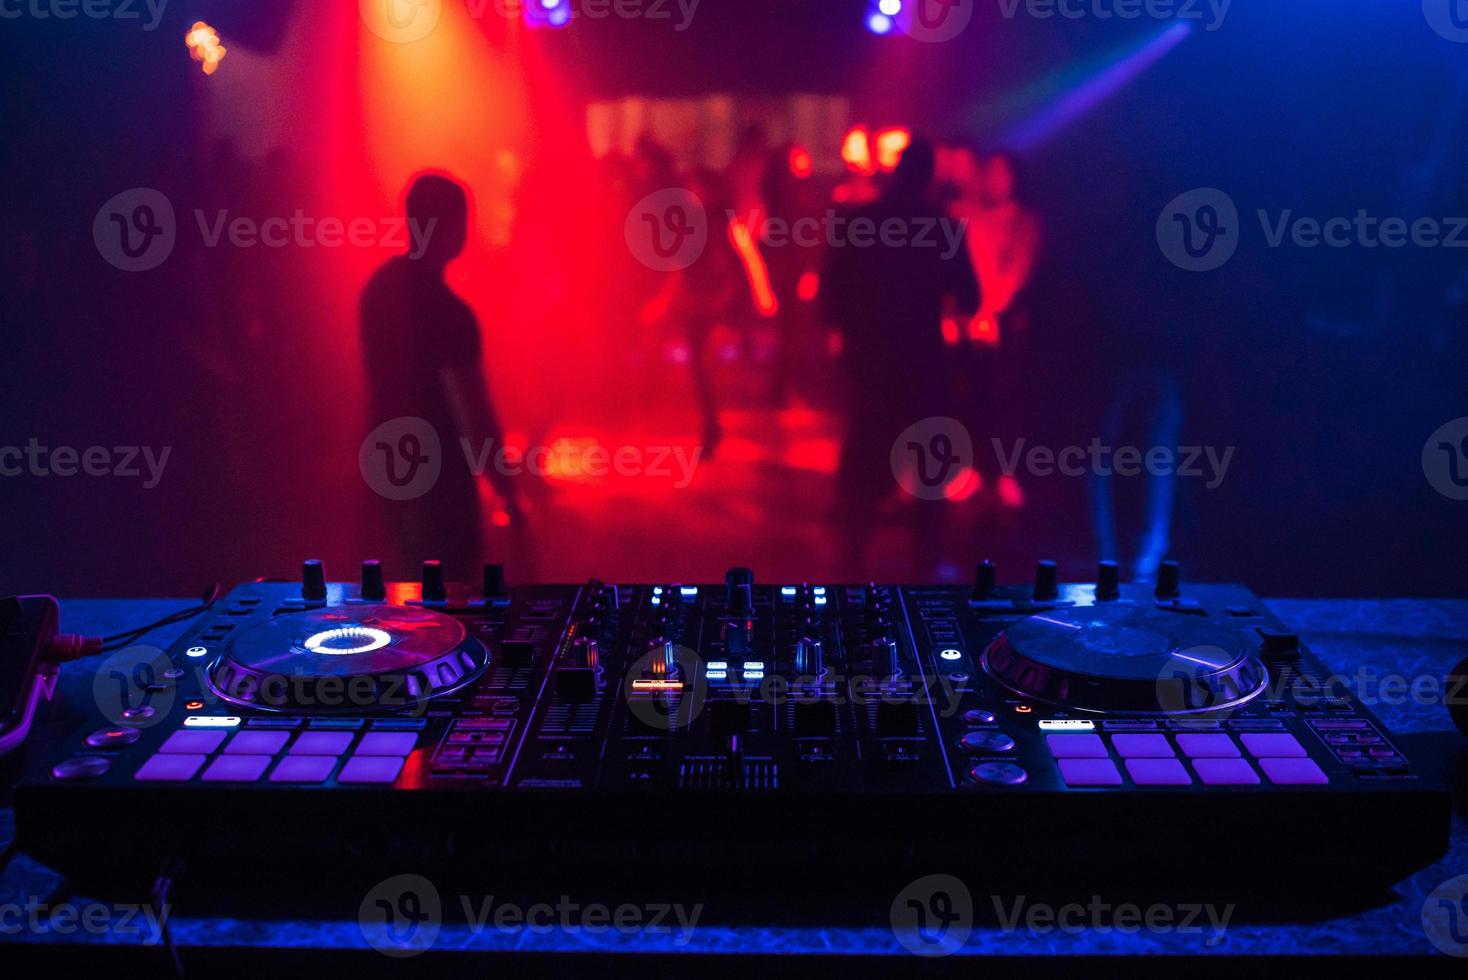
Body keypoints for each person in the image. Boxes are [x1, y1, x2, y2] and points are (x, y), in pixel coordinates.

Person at [821, 139, 980, 578]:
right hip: (922, 357)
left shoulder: (860, 222)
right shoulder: (941, 227)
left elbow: (830, 294)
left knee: (867, 450)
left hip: (871, 357)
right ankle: (924, 562)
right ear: (929, 177)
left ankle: (852, 560)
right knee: (928, 455)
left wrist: (847, 336)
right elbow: (969, 295)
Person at [359, 173, 521, 578]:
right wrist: (507, 494)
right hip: (440, 480)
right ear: (451, 226)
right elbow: (473, 413)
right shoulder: (450, 313)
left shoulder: (378, 288)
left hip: (383, 459)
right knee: (448, 602)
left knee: (394, 601)